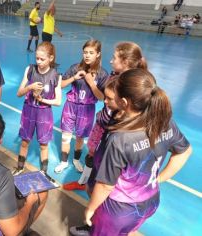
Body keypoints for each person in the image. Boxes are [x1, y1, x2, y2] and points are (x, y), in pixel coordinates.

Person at [70, 69, 192, 236]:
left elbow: (106, 185)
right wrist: (157, 179)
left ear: (124, 102)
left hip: (118, 209)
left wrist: (90, 208)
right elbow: (185, 151)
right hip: (150, 202)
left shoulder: (121, 138)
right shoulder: (165, 122)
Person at [63, 41, 148, 191]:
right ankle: (84, 183)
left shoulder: (132, 84)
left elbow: (114, 103)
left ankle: (102, 189)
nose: (111, 61)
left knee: (107, 161)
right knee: (91, 154)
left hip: (115, 128)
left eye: (114, 58)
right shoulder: (114, 75)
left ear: (126, 62)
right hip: (103, 123)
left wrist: (92, 84)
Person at [54, 40, 108, 174]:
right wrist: (73, 78)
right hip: (71, 106)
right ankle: (64, 162)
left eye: (91, 53)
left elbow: (102, 97)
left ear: (98, 54)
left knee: (80, 137)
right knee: (66, 135)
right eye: (85, 52)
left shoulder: (102, 74)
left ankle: (76, 160)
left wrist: (91, 82)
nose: (87, 55)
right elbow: (60, 85)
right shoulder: (75, 68)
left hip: (87, 109)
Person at [13, 42, 62, 175]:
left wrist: (42, 100)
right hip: (28, 110)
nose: (39, 61)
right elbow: (19, 93)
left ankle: (43, 172)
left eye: (42, 59)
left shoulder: (56, 76)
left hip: (44, 113)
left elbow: (58, 101)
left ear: (51, 58)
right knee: (24, 141)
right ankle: (20, 167)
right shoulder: (30, 70)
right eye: (37, 58)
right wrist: (30, 87)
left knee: (43, 145)